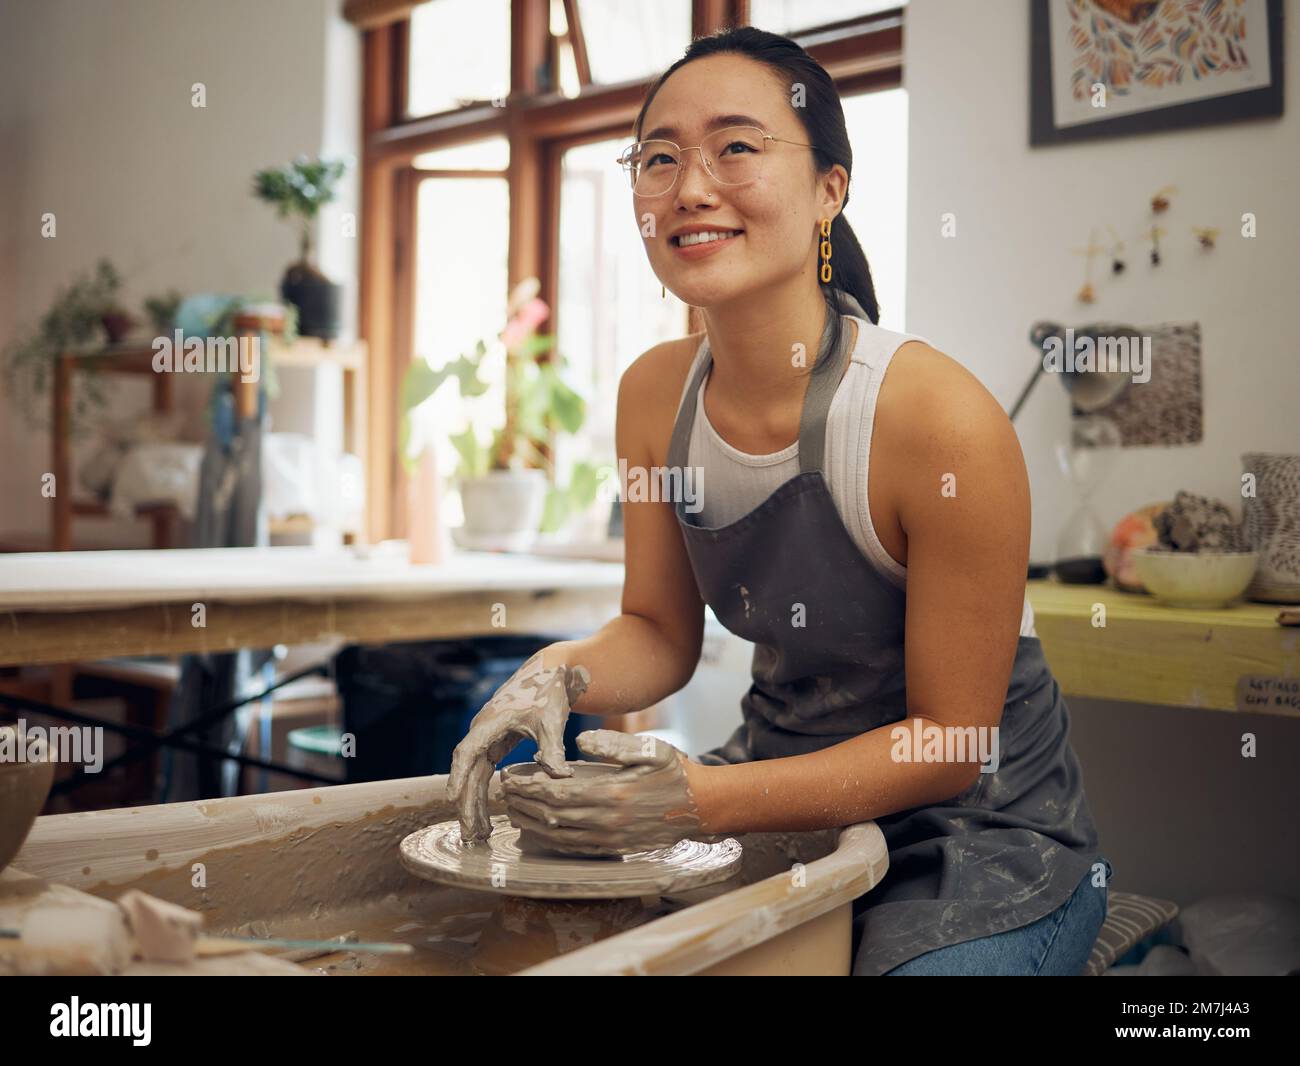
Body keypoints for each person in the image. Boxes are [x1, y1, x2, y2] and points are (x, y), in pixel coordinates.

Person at [449, 26, 1110, 976]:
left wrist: (694, 802)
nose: (690, 187)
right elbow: (656, 633)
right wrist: (557, 673)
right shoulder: (653, 398)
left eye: (737, 147)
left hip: (980, 835)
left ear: (830, 191)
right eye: (660, 157)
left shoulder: (938, 422)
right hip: (778, 795)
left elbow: (950, 745)